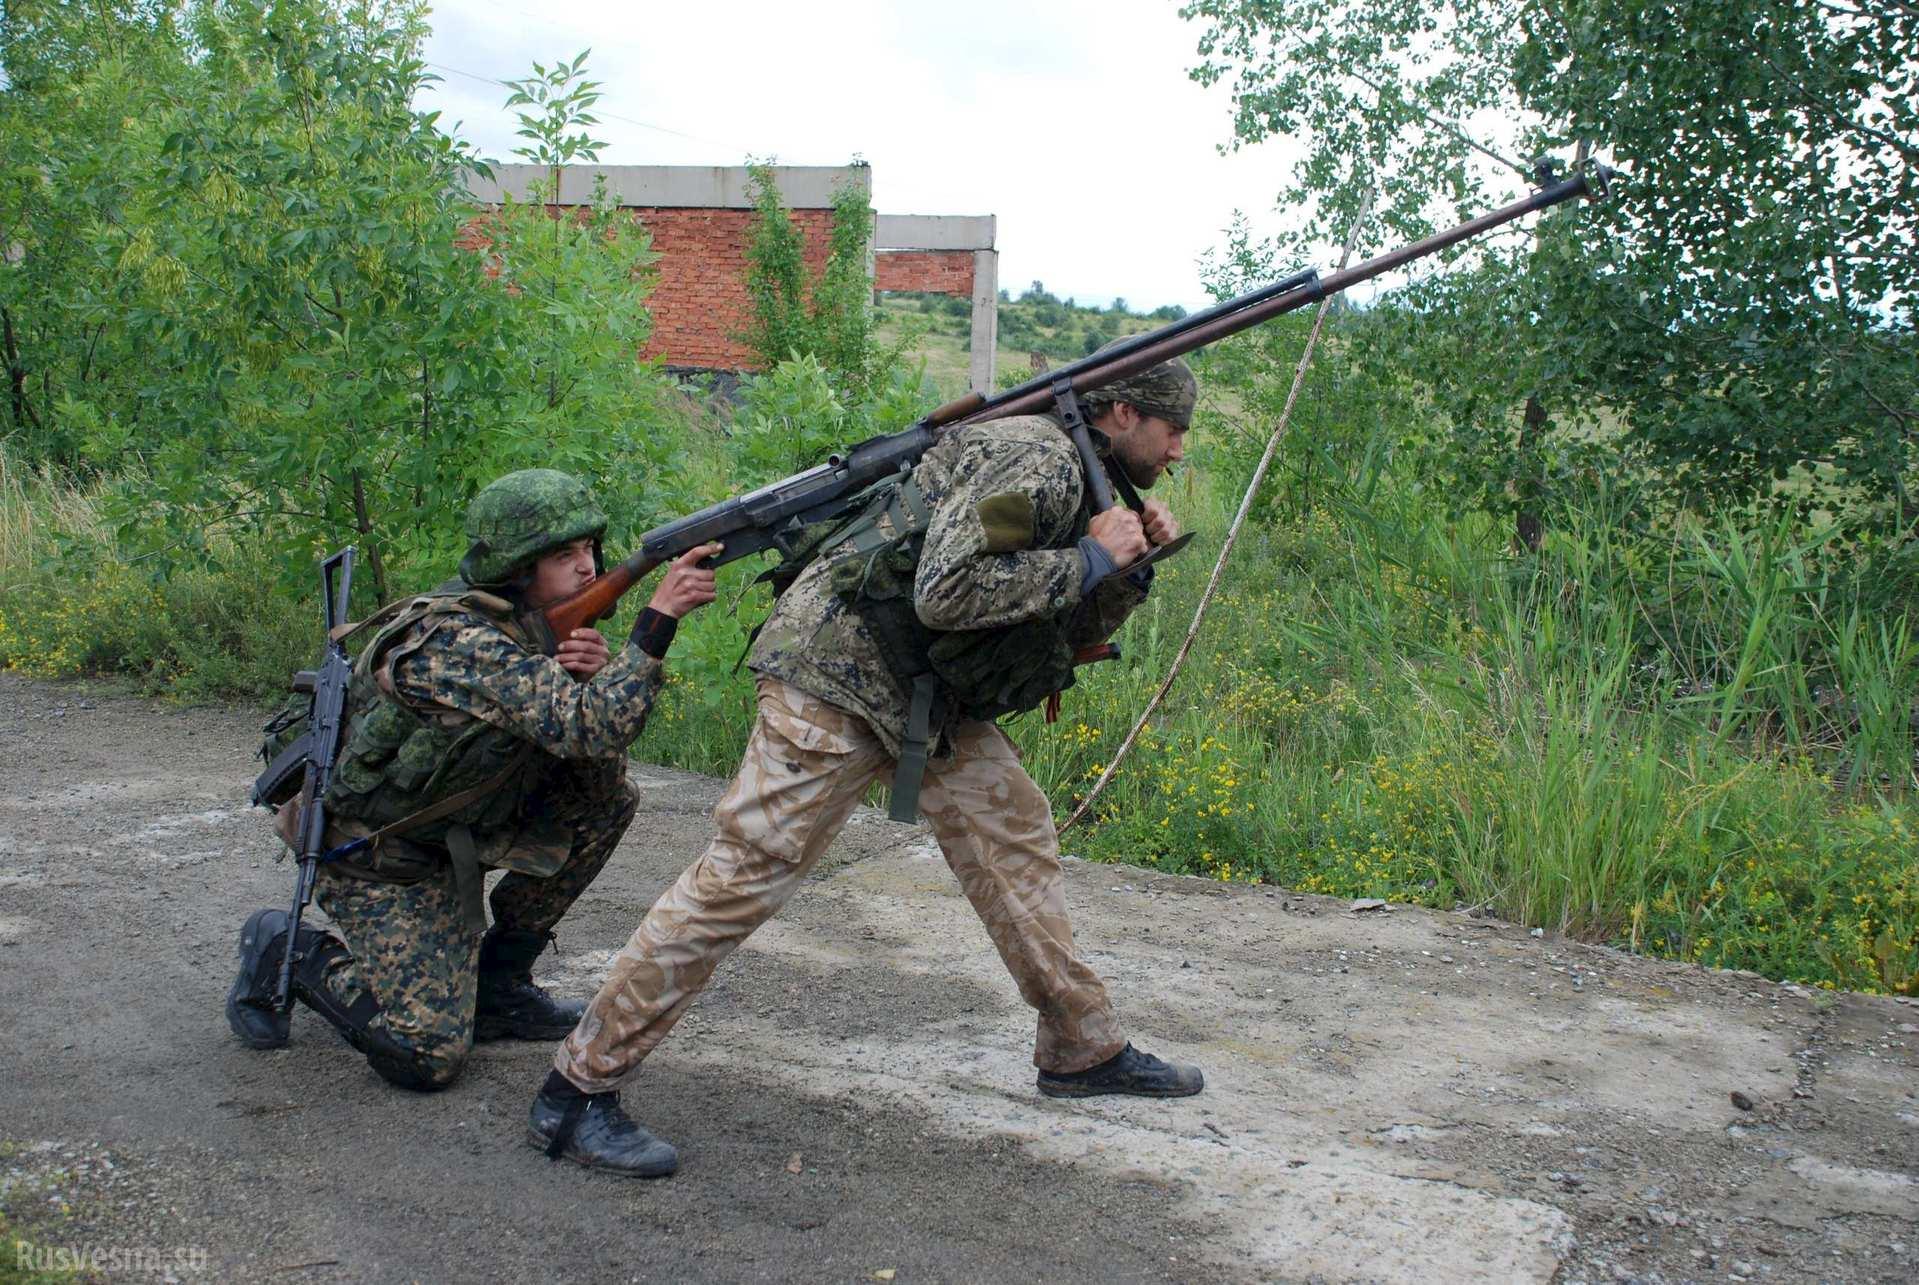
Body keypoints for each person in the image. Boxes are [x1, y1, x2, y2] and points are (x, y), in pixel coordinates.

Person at [528, 359, 1208, 1178]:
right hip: (836, 679)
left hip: (921, 690)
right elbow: (949, 590)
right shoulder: (1035, 455)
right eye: (1173, 431)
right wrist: (1091, 560)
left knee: (1011, 834)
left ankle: (1080, 1045)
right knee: (742, 876)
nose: (1177, 451)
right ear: (1125, 412)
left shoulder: (1081, 471)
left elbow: (1050, 613)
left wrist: (1127, 567)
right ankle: (575, 1089)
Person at [225, 468, 721, 1092]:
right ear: (516, 567)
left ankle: (501, 986)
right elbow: (589, 727)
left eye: (589, 548)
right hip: (381, 854)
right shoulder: (457, 640)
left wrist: (586, 678)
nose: (589, 567)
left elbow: (586, 747)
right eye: (563, 555)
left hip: (455, 822)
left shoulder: (532, 624)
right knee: (426, 1055)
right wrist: (658, 620)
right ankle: (289, 951)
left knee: (605, 798)